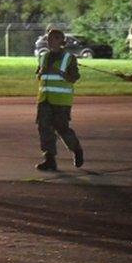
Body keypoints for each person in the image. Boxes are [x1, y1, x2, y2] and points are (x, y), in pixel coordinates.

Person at [35, 28, 84, 171]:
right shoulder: (43, 56)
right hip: (44, 99)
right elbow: (39, 74)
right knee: (44, 128)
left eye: (55, 38)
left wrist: (61, 73)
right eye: (49, 38)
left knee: (62, 128)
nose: (51, 40)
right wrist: (40, 74)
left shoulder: (69, 58)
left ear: (62, 41)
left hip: (61, 100)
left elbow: (74, 77)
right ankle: (49, 158)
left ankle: (76, 149)